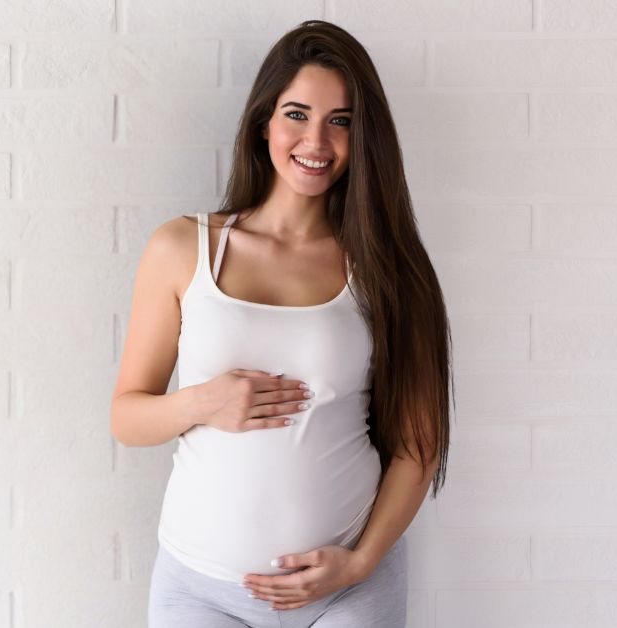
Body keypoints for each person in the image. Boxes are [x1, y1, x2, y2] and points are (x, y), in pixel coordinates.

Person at [109, 19, 453, 628]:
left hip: (348, 591)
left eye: (340, 121)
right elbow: (127, 417)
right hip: (200, 591)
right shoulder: (181, 249)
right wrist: (201, 403)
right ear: (263, 120)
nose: (316, 140)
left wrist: (360, 562)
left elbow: (418, 444)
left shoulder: (388, 267)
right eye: (297, 113)